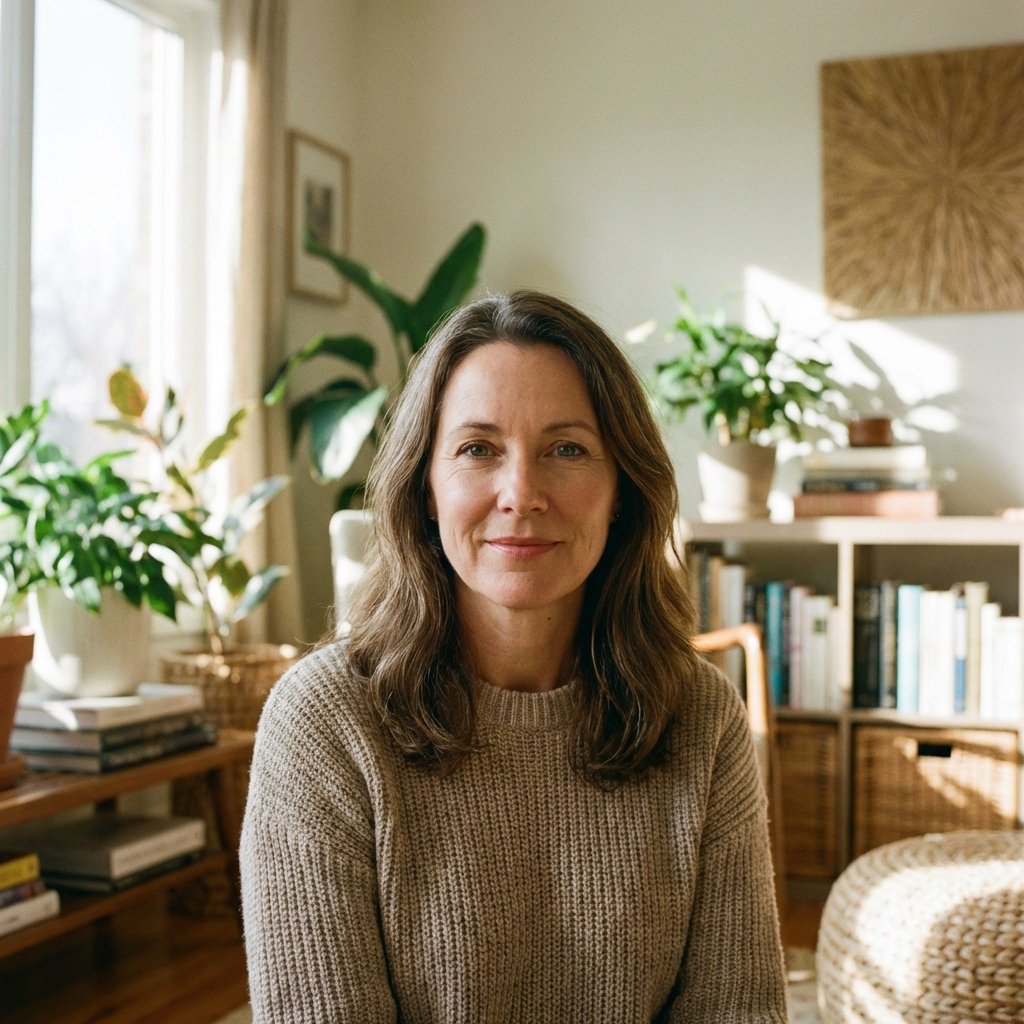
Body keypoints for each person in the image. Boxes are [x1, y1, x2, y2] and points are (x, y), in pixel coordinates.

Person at [240, 290, 788, 1022]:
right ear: (425, 488)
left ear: (621, 489)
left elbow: (738, 1010)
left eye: (567, 449)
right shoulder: (323, 722)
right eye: (477, 449)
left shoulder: (699, 715)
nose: (521, 493)